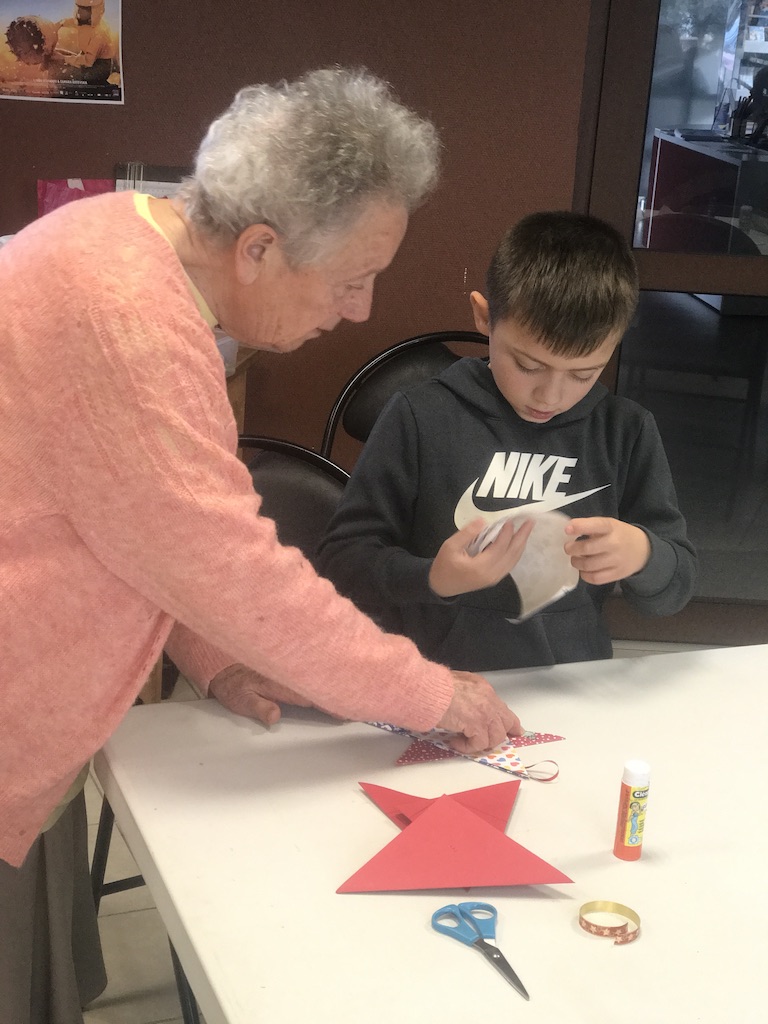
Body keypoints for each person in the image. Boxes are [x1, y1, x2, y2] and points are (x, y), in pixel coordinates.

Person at [0, 68, 524, 1024]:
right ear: (259, 248)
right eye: (352, 281)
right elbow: (229, 565)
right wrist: (431, 693)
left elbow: (139, 521)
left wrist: (216, 655)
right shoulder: (128, 322)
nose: (360, 311)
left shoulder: (118, 233)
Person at [317, 211, 697, 672]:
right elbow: (343, 563)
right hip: (435, 681)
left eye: (583, 374)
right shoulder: (420, 416)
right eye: (528, 365)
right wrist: (431, 577)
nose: (550, 396)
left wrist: (643, 554)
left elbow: (675, 588)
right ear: (484, 317)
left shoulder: (625, 431)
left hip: (568, 682)